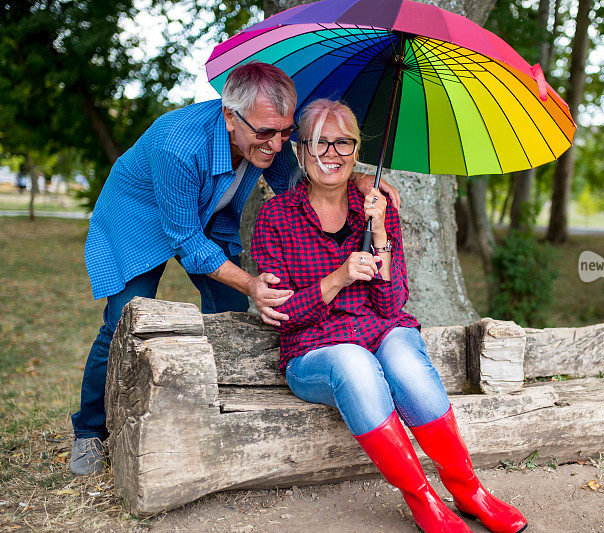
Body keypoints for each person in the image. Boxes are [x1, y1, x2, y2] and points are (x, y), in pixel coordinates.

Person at [71, 62, 399, 476]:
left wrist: (360, 180)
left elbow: (303, 184)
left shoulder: (270, 138)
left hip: (209, 212)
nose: (276, 145)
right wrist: (251, 283)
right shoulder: (178, 145)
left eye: (285, 131)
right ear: (229, 115)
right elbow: (186, 241)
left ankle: (209, 408)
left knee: (227, 312)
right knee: (121, 322)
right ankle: (88, 431)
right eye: (264, 133)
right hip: (138, 216)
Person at [250, 99, 527, 533]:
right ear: (300, 152)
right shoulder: (275, 216)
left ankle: (469, 490)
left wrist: (379, 233)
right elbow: (282, 314)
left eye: (343, 142)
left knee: (403, 362)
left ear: (357, 149)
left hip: (380, 329)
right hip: (314, 353)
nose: (331, 154)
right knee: (354, 363)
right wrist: (337, 279)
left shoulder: (377, 206)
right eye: (319, 143)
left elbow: (393, 304)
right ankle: (424, 501)